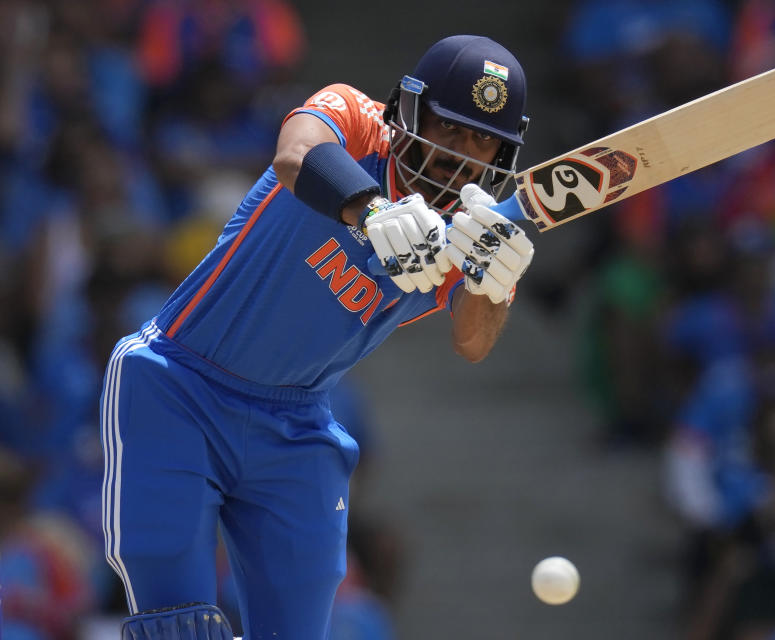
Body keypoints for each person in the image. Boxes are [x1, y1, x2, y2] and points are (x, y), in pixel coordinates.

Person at [99, 35, 534, 639]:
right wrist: (374, 212)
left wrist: (495, 279)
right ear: (408, 113)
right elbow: (295, 154)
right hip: (178, 387)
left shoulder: (476, 226)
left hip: (296, 430)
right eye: (449, 130)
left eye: (481, 141)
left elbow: (473, 341)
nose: (459, 157)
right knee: (179, 627)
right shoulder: (355, 121)